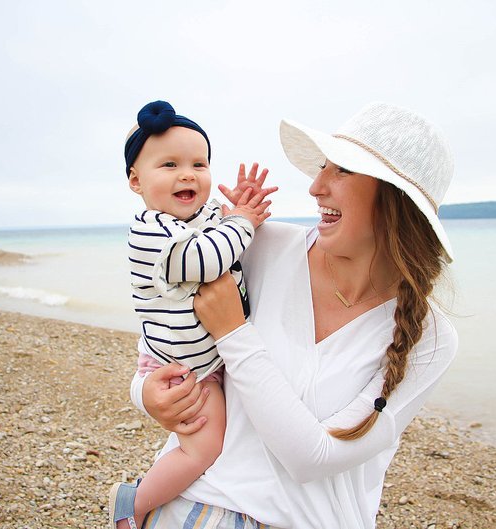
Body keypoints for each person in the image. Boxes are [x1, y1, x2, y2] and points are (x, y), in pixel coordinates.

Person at [129, 102, 459, 528]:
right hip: (193, 507)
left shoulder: (429, 337)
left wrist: (233, 331)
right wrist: (145, 393)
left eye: (341, 170)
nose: (315, 186)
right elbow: (163, 323)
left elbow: (315, 458)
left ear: (394, 198)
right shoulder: (260, 245)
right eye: (323, 167)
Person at [110, 100, 276, 529]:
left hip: (203, 359)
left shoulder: (195, 217)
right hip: (182, 369)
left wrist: (237, 206)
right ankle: (132, 505)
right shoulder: (150, 231)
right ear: (136, 180)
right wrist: (242, 223)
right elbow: (205, 259)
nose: (188, 174)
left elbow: (219, 229)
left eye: (199, 164)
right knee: (203, 449)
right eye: (169, 164)